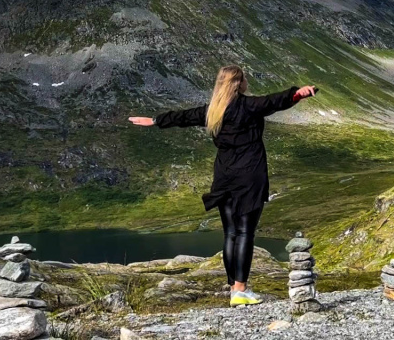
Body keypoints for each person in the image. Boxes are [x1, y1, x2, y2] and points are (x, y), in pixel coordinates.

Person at [128, 65, 317, 306]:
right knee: (245, 233)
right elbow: (274, 101)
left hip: (224, 177)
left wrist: (155, 120)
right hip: (250, 177)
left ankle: (234, 289)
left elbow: (184, 117)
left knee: (230, 233)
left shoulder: (213, 111)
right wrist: (297, 94)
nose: (247, 81)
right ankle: (240, 289)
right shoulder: (249, 106)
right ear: (239, 83)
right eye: (245, 78)